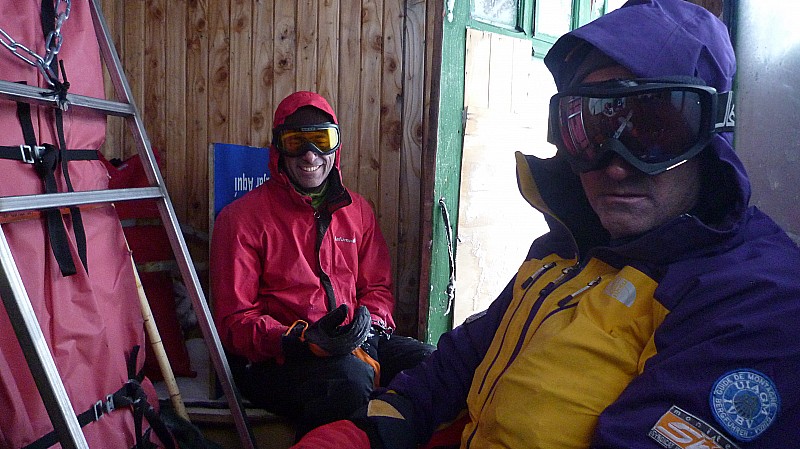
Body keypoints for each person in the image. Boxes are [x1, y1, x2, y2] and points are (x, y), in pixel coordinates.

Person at [289, 0, 800, 447]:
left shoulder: (755, 300)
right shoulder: (562, 252)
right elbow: (463, 357)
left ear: (712, 134)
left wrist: (370, 325)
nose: (617, 165)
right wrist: (372, 427)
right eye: (592, 131)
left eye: (656, 130)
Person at [210, 91, 435, 438]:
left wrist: (368, 326)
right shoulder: (240, 220)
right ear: (278, 148)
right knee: (346, 382)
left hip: (355, 344)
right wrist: (298, 340)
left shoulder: (357, 211)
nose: (310, 155)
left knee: (434, 365)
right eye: (296, 141)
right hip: (277, 358)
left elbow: (376, 288)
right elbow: (235, 321)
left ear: (336, 146)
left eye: (321, 140)